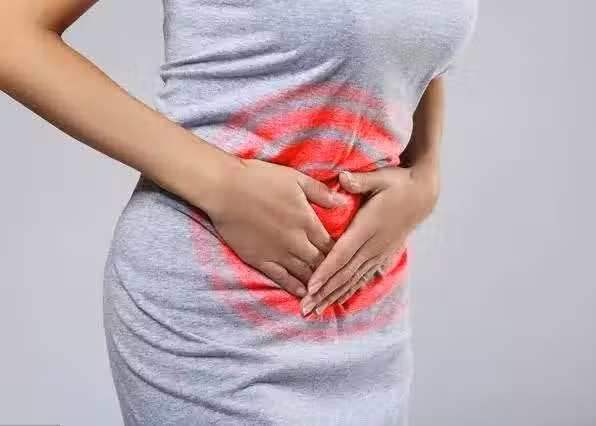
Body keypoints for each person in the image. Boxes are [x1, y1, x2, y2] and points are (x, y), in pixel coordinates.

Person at [0, 0, 478, 424]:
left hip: (368, 312)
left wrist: (425, 172)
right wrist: (222, 182)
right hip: (214, 309)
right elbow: (9, 33)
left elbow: (410, 44)